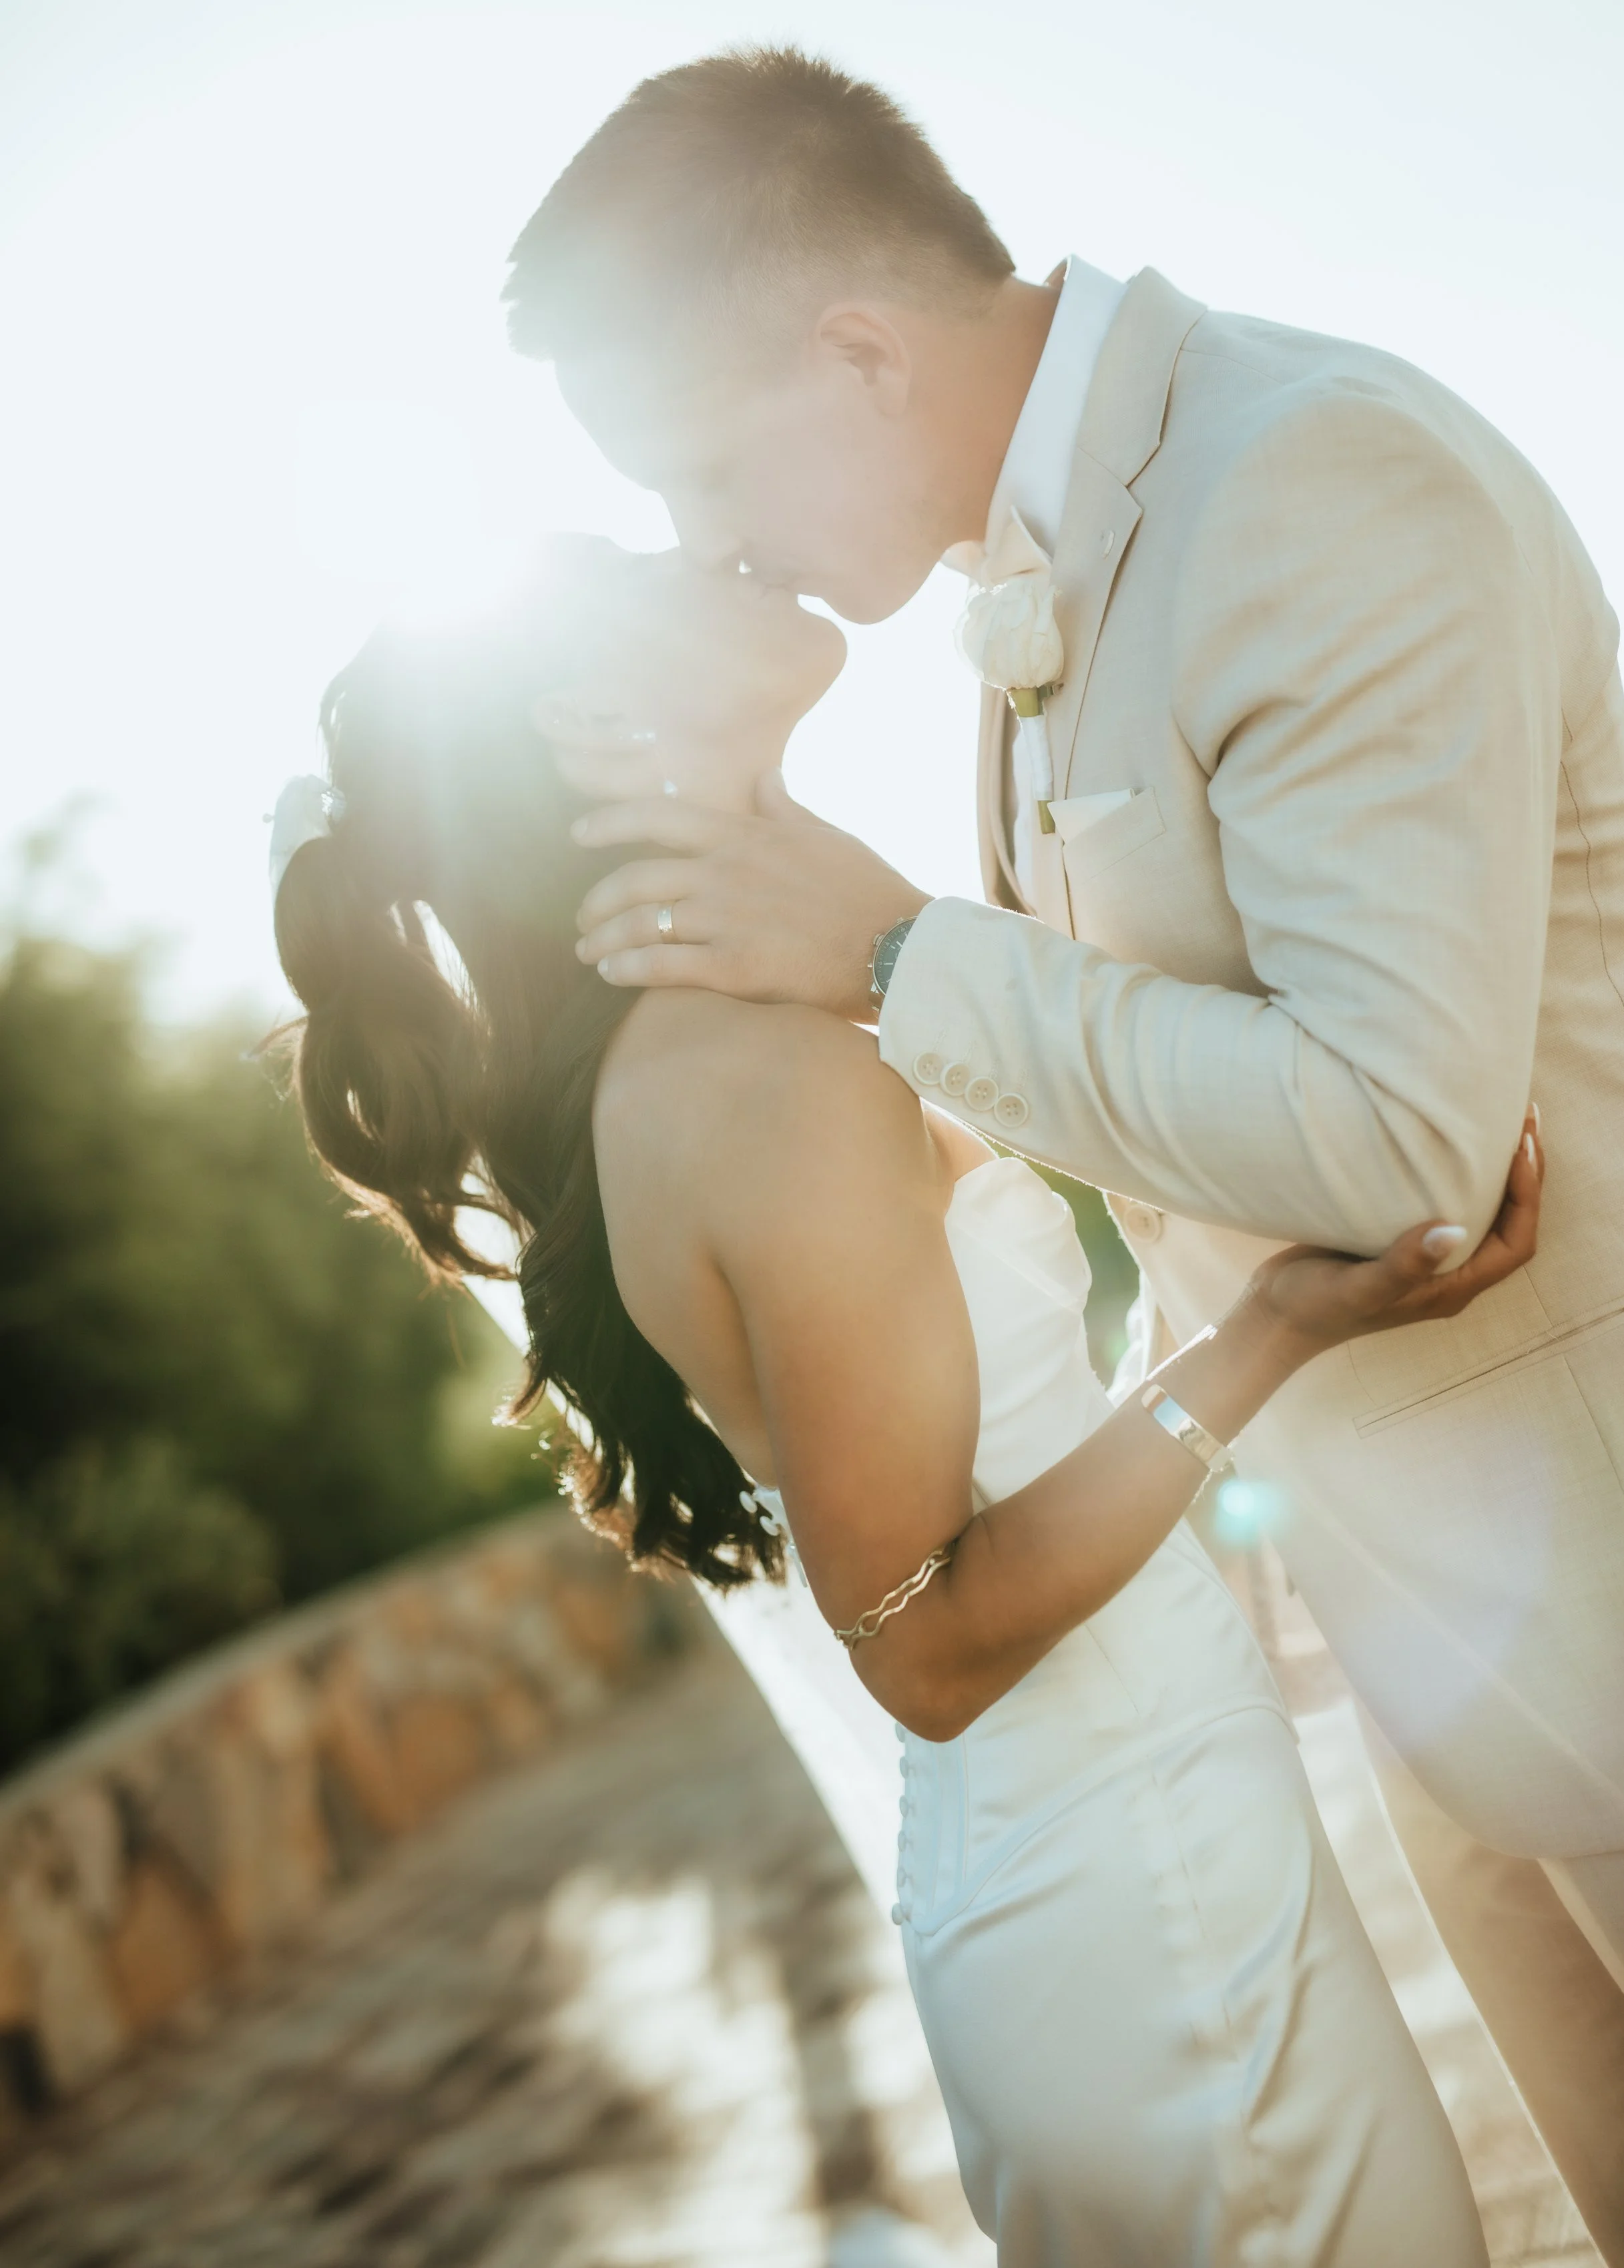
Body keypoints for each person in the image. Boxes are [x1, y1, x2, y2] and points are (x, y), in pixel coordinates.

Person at [496, 47, 1624, 2267]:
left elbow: (1395, 1139)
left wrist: (886, 950)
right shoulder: (1037, 595)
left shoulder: (1311, 481)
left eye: (701, 471)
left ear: (854, 348)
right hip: (1448, 1661)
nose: (706, 544)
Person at [270, 550, 1540, 2262]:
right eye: (644, 567)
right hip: (1133, 1903)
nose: (707, 548)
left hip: (1137, 1843)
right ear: (594, 727)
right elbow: (918, 1644)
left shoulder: (751, 1019)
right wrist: (1270, 1333)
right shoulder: (750, 1076)